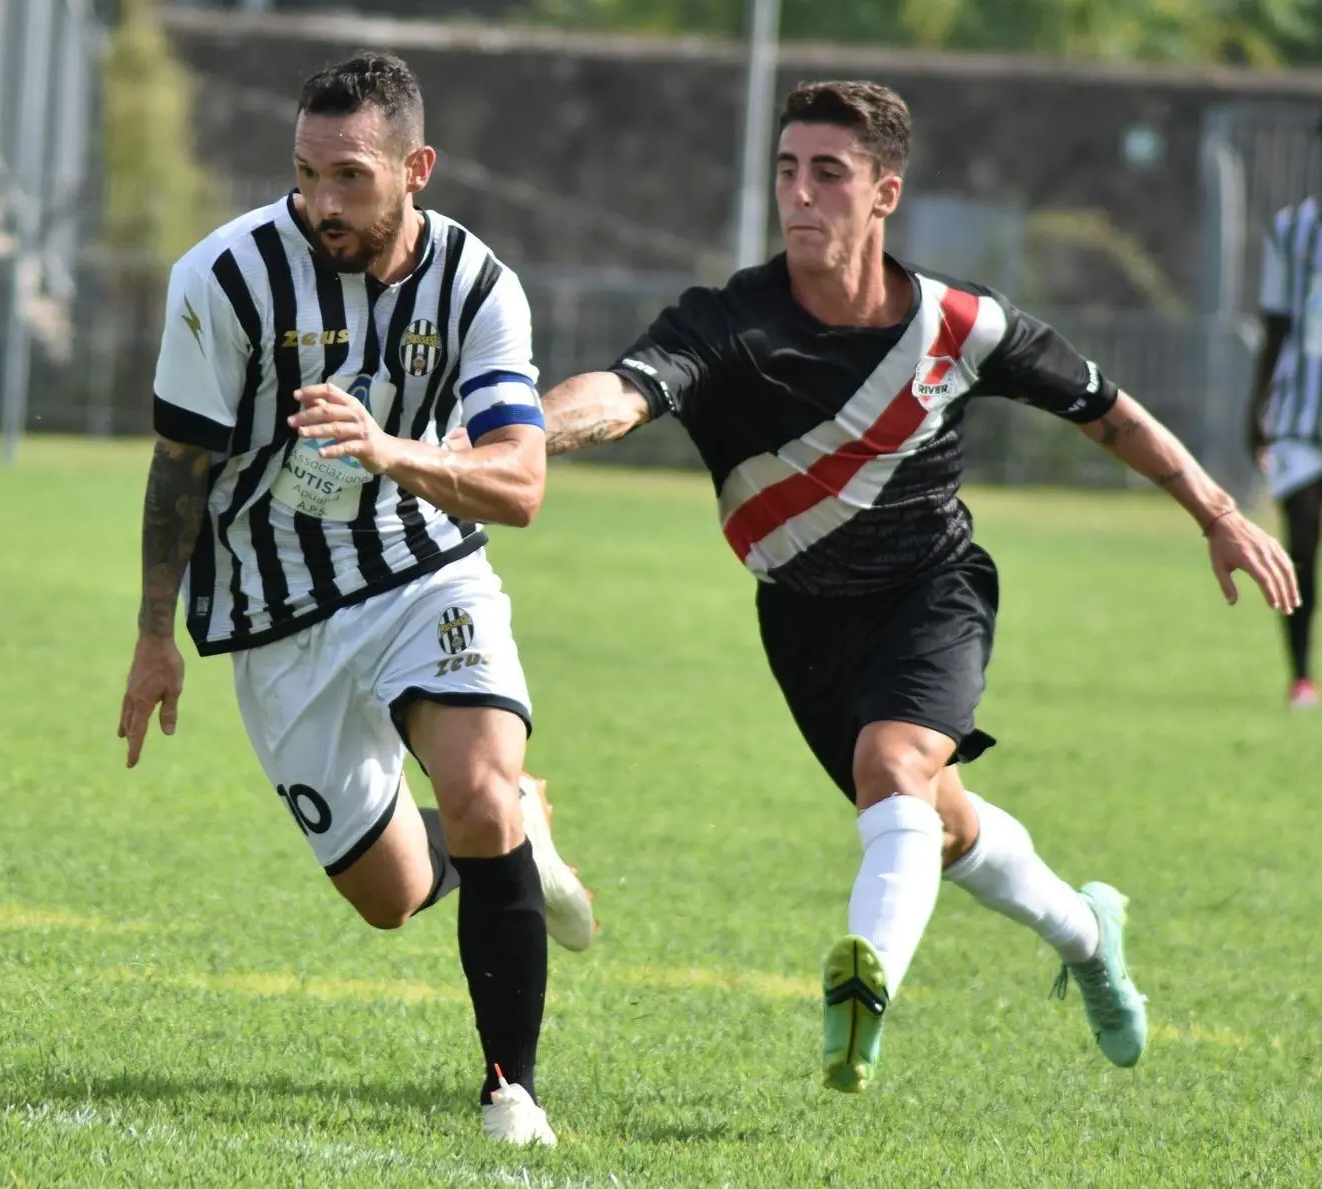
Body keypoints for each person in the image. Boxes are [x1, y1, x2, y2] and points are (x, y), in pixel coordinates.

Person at [538, 80, 1300, 1094]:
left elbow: (1105, 409)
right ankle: (1086, 936)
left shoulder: (959, 323)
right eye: (786, 170)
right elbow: (619, 396)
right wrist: (512, 431)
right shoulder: (727, 321)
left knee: (893, 768)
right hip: (801, 620)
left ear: (883, 192)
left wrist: (1216, 510)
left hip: (931, 590)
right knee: (938, 824)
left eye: (828, 174)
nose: (799, 194)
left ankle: (866, 988)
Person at [116, 51, 594, 1145]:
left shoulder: (480, 286)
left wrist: (388, 452)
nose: (321, 204)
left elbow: (519, 485)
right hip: (273, 612)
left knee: (477, 792)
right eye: (304, 175)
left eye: (350, 178)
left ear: (415, 167)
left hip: (424, 568)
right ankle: (523, 831)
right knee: (392, 893)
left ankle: (508, 1088)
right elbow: (177, 469)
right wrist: (153, 639)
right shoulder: (224, 277)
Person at [1247, 126, 1322, 709]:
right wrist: (1257, 406)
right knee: (1302, 544)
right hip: (1301, 418)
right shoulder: (1293, 228)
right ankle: (1300, 676)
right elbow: (1276, 323)